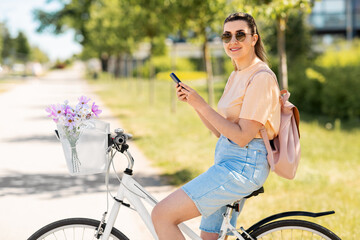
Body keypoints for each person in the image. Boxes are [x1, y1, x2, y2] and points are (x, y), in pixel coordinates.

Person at [151, 12, 281, 240]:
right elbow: (220, 132)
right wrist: (195, 103)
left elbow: (242, 138)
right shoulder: (236, 75)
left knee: (162, 215)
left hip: (244, 166)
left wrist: (202, 104)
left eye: (240, 35)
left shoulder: (261, 78)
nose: (233, 41)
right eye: (227, 35)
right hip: (227, 161)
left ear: (254, 39)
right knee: (210, 237)